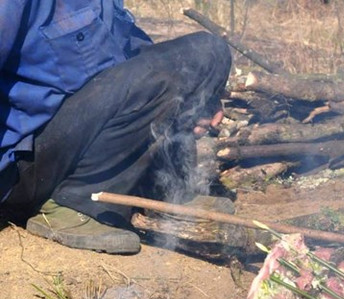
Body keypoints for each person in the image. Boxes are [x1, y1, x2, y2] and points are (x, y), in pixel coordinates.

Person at [1, 0, 232, 254]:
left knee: (207, 53)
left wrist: (201, 93)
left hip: (81, 127)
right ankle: (73, 202)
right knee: (180, 65)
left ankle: (163, 187)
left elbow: (136, 52)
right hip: (24, 165)